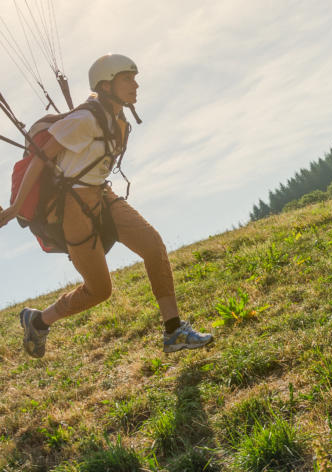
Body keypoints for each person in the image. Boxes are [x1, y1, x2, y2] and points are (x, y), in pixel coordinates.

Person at [0, 54, 212, 358]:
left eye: (134, 78)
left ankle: (174, 331)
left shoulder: (118, 121)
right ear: (106, 84)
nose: (135, 85)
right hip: (72, 207)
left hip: (102, 196)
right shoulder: (84, 119)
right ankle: (38, 320)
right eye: (127, 79)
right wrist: (16, 206)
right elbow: (39, 158)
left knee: (153, 245)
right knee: (99, 290)